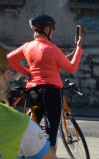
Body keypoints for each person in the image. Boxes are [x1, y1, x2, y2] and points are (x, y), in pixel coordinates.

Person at [7, 14, 84, 147]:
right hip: (51, 92)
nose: (52, 32)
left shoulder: (27, 47)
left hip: (33, 91)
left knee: (33, 126)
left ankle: (25, 157)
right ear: (47, 29)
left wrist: (26, 72)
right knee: (51, 133)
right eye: (52, 29)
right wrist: (79, 48)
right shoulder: (54, 50)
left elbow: (8, 59)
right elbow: (71, 68)